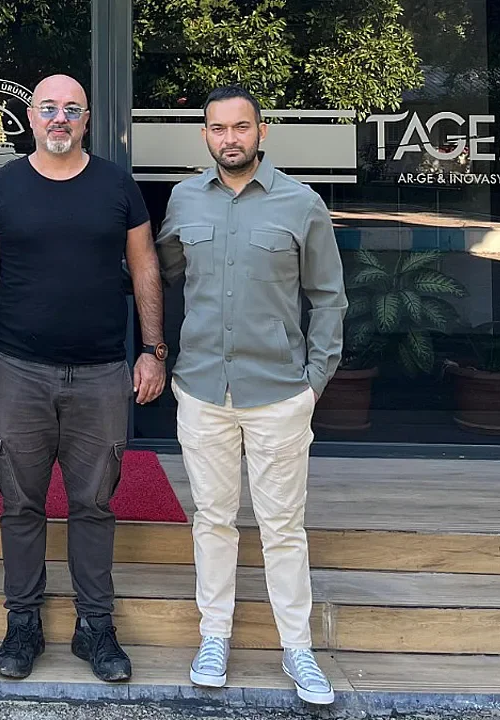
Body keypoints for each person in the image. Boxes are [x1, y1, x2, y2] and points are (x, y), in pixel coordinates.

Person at [0, 74, 167, 683]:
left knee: (94, 504)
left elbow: (144, 266)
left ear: (86, 120)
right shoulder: (1, 186)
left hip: (103, 372)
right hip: (17, 370)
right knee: (20, 503)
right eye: (49, 108)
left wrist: (153, 351)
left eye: (72, 109)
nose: (60, 118)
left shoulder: (116, 184)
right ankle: (23, 622)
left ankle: (95, 626)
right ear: (31, 117)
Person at [155, 85, 347, 705]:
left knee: (282, 526)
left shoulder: (302, 204)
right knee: (212, 520)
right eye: (218, 128)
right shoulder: (184, 199)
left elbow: (328, 297)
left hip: (279, 394)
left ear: (262, 132)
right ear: (205, 136)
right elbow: (163, 272)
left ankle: (298, 648)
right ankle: (214, 637)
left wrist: (314, 381)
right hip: (202, 388)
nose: (230, 138)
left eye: (241, 127)